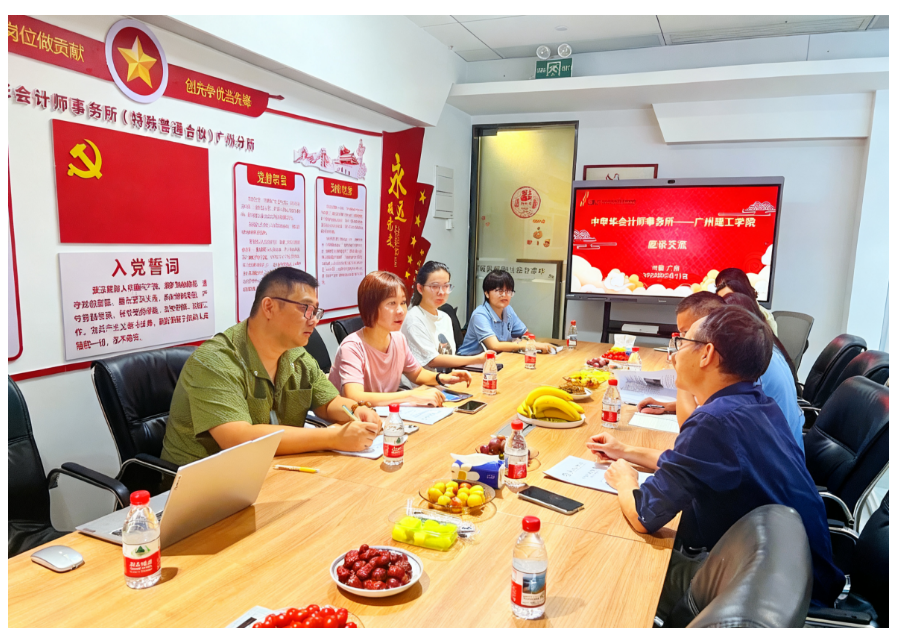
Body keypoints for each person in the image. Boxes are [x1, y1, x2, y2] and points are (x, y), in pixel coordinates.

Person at [588, 306, 844, 616]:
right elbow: (686, 464)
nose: (674, 354)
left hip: (768, 596)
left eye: (682, 342)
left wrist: (625, 481)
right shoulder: (754, 403)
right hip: (792, 572)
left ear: (706, 354)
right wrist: (625, 450)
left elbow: (643, 515)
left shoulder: (714, 421)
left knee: (621, 560)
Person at [161, 268, 383, 466]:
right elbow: (237, 438)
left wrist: (356, 410)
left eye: (316, 311)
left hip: (272, 470)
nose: (314, 320)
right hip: (202, 484)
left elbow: (328, 402)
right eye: (306, 308)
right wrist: (333, 438)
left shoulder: (296, 355)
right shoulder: (216, 360)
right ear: (269, 307)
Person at [637, 292, 805, 449]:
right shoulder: (754, 357)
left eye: (686, 335)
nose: (681, 345)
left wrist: (684, 376)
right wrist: (671, 406)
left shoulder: (745, 360)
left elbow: (693, 434)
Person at [329, 270, 472, 407]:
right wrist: (411, 395)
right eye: (392, 303)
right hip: (351, 419)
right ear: (370, 307)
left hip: (385, 413)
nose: (401, 311)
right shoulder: (352, 347)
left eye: (403, 303)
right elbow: (355, 397)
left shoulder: (398, 339)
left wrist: (442, 378)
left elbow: (416, 373)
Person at [401, 261, 487, 370]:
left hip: (447, 377)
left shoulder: (445, 317)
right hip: (424, 380)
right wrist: (477, 359)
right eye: (434, 286)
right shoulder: (414, 319)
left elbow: (450, 357)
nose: (441, 292)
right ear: (420, 288)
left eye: (446, 286)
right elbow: (432, 360)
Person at [457, 269, 554, 356]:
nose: (504, 295)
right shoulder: (480, 315)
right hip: (469, 363)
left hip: (499, 359)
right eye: (499, 291)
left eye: (508, 291)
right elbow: (494, 346)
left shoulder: (508, 309)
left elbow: (525, 333)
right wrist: (525, 345)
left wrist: (529, 342)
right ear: (486, 293)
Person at [715, 268, 778, 335]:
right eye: (722, 299)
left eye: (731, 298)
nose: (726, 303)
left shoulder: (766, 318)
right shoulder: (717, 316)